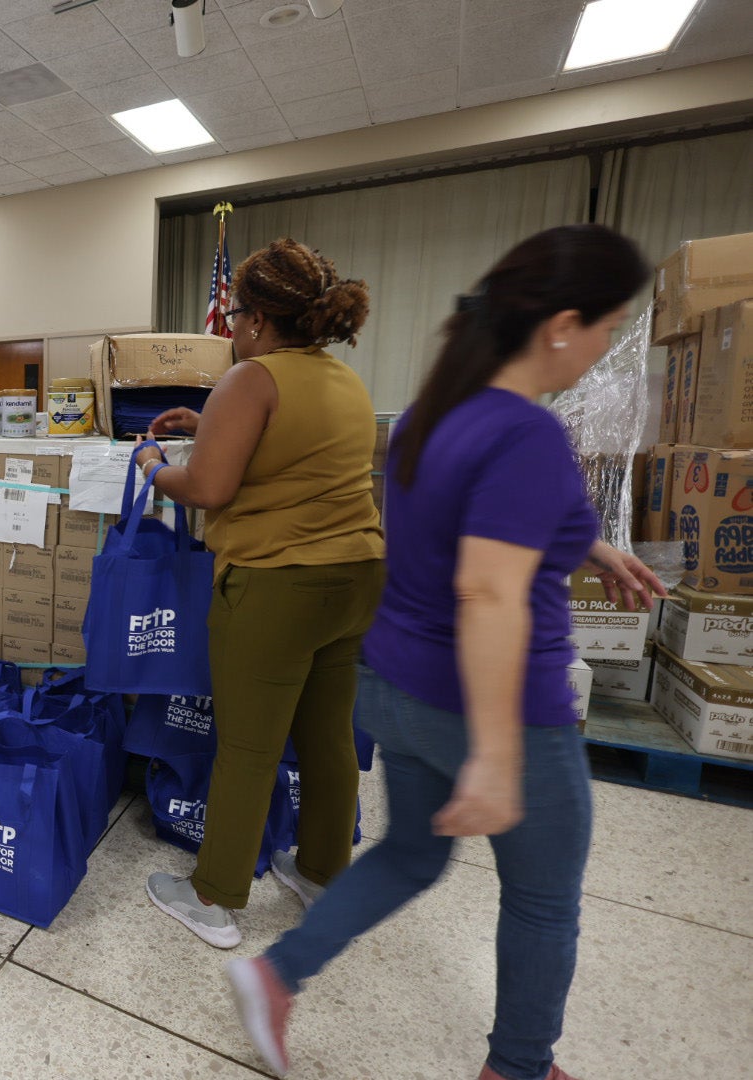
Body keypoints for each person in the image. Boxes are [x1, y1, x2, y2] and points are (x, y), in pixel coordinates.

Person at [223, 224, 663, 1080]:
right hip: (499, 708)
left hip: (395, 684)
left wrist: (595, 546)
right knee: (543, 901)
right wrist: (497, 757)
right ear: (562, 325)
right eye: (609, 327)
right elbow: (491, 589)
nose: (609, 347)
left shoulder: (435, 412)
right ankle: (521, 1066)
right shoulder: (525, 436)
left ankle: (276, 975)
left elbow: (485, 524)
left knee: (411, 853)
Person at [133, 238, 384, 948]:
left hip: (278, 585)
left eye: (236, 312)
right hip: (356, 577)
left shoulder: (252, 380)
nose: (230, 326)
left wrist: (154, 463)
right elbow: (286, 452)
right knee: (328, 736)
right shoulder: (342, 380)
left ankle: (213, 896)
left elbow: (208, 488)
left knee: (247, 744)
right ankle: (323, 874)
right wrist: (207, 421)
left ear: (257, 318)